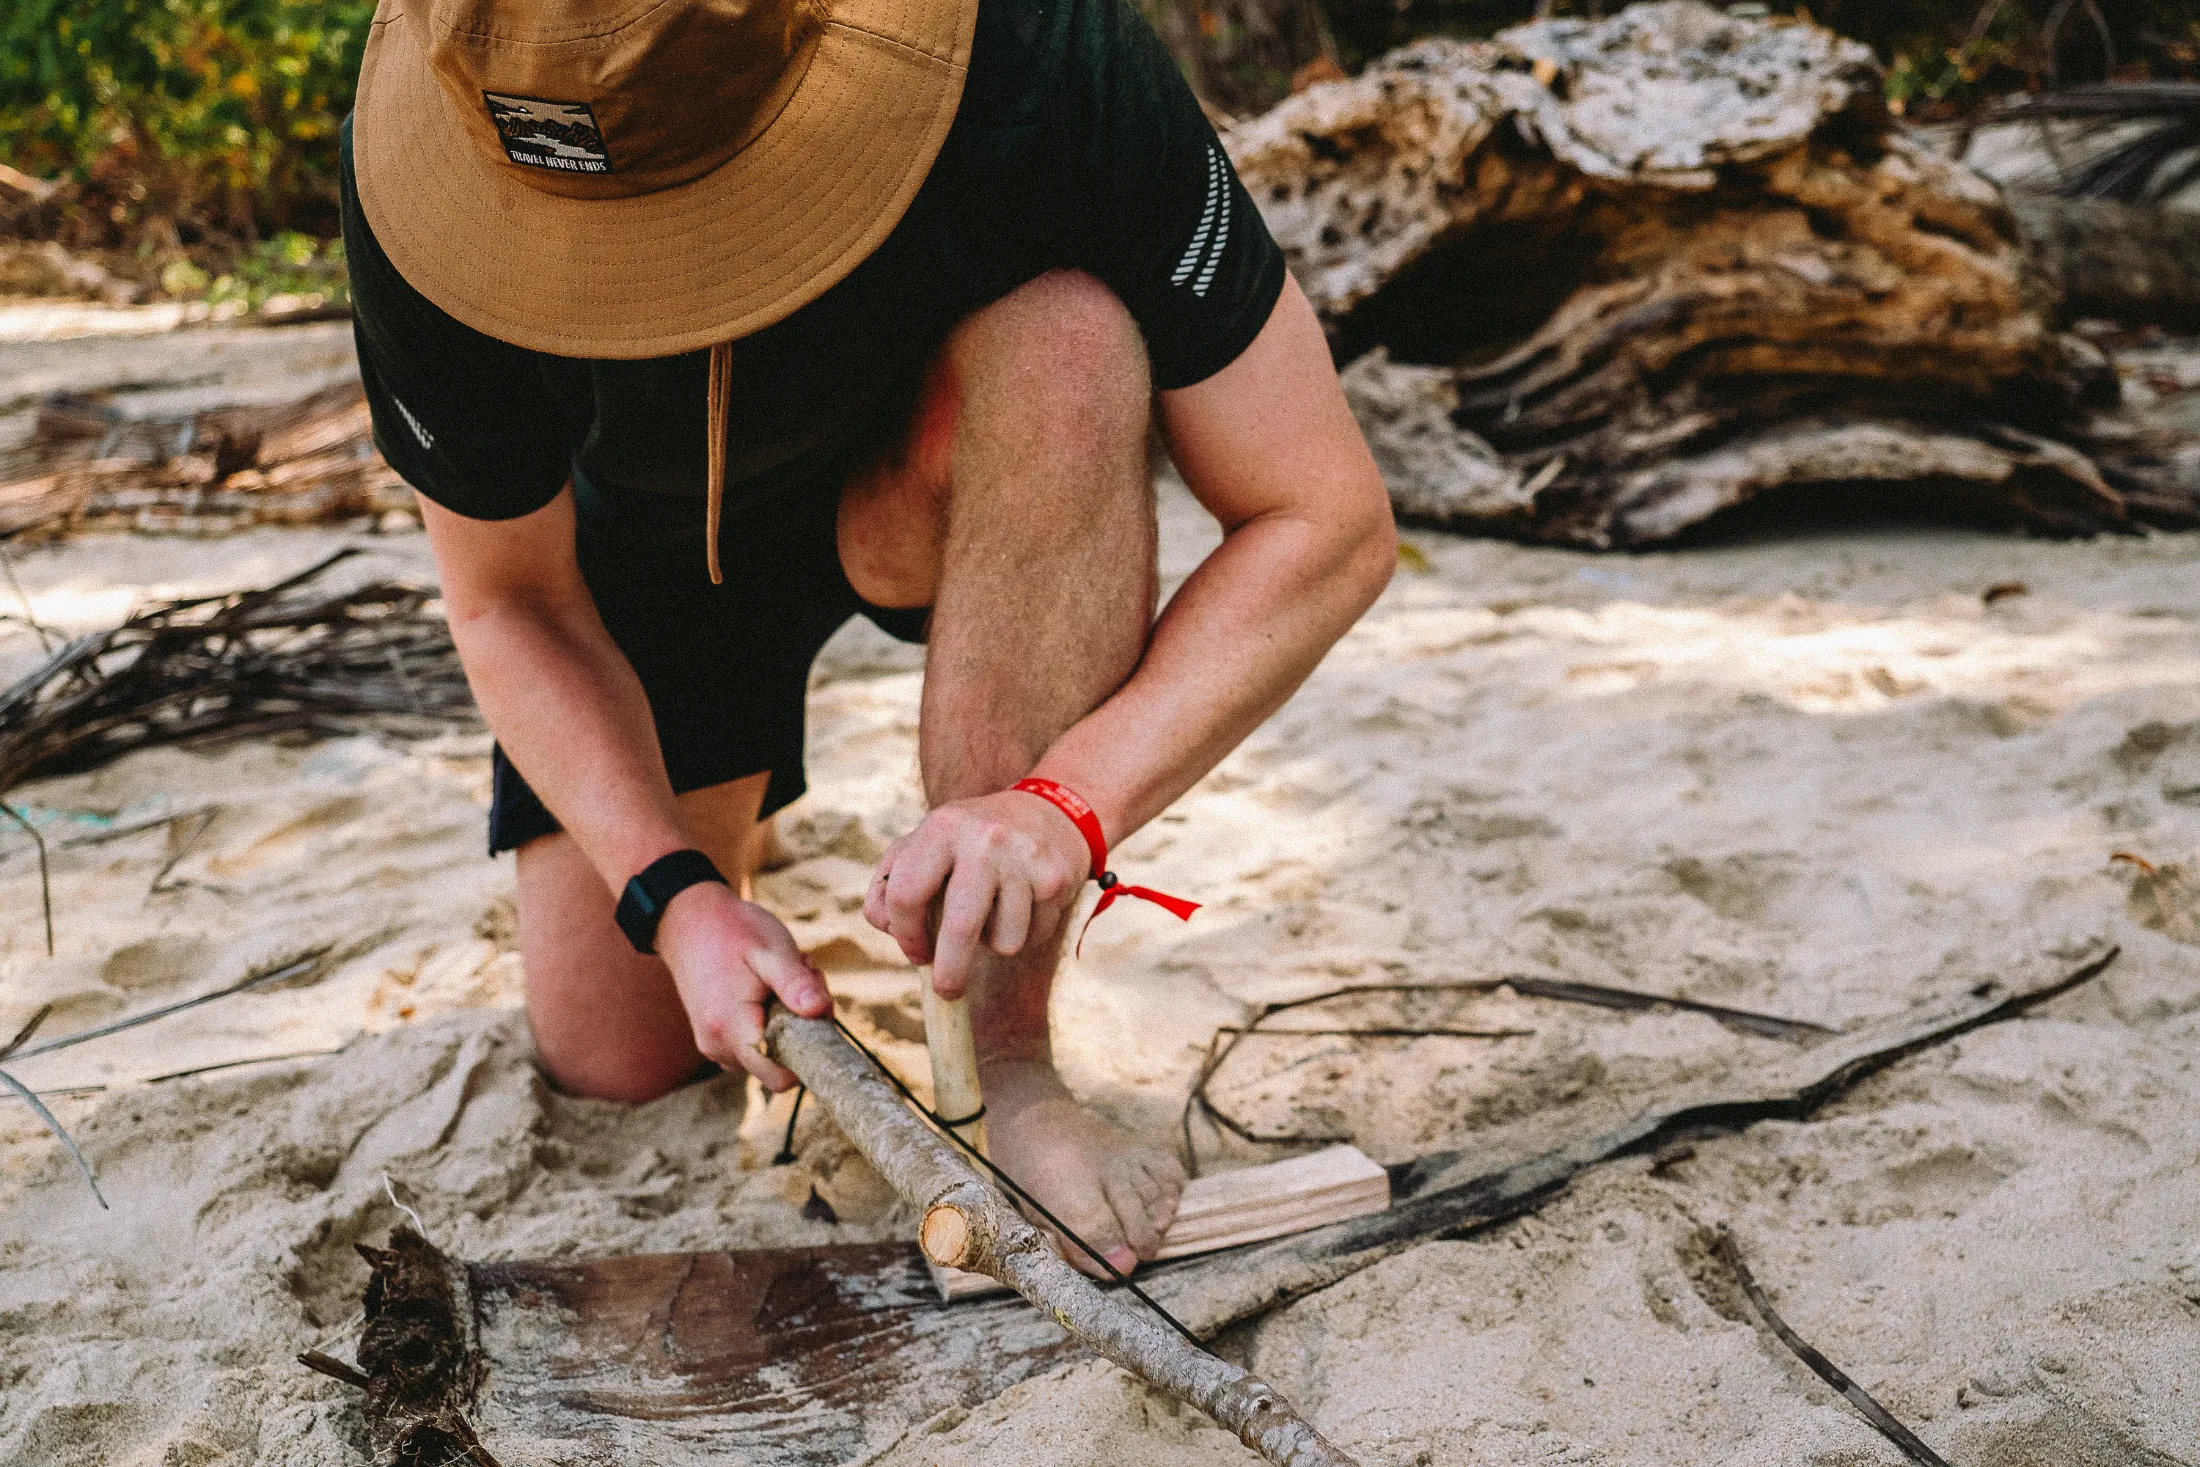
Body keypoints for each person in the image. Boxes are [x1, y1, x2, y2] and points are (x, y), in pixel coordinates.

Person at [342, 0, 1395, 1277]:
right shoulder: (438, 123)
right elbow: (509, 598)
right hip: (649, 564)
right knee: (615, 1060)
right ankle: (729, 817)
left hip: (930, 469)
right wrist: (672, 899)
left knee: (1069, 339)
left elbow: (1323, 519)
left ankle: (1010, 1072)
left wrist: (1062, 804)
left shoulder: (1037, 51)